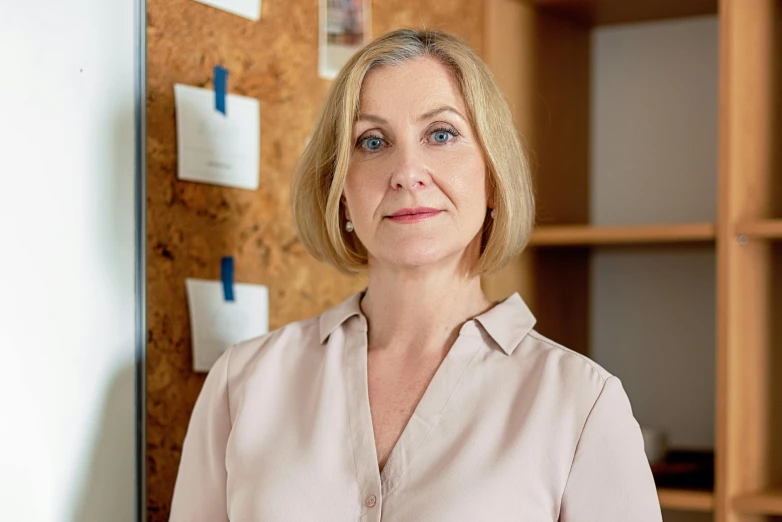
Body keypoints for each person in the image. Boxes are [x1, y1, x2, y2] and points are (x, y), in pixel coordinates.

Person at [169, 29, 663, 521]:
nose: (407, 170)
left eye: (441, 134)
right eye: (373, 140)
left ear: (493, 177)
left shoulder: (580, 402)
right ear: (341, 189)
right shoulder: (243, 384)